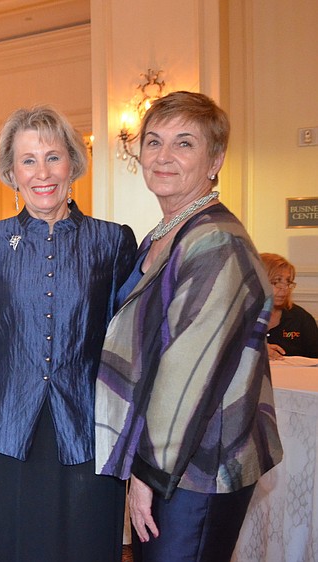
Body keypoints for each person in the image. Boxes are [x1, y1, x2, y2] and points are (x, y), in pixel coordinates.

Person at [95, 91, 284, 562]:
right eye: (154, 141)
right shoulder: (166, 233)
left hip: (197, 467)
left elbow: (188, 376)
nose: (162, 156)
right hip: (175, 458)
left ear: (215, 159)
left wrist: (148, 476)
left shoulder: (215, 241)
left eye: (184, 143)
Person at [0, 105, 135, 561]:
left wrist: (129, 435)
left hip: (89, 427)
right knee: (16, 544)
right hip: (8, 427)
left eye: (53, 157)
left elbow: (125, 351)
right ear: (11, 172)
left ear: (73, 164)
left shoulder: (112, 241)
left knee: (87, 542)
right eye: (28, 160)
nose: (42, 173)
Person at [261, 252, 318, 359]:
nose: (285, 288)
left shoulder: (302, 319)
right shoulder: (238, 317)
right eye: (276, 282)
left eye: (288, 282)